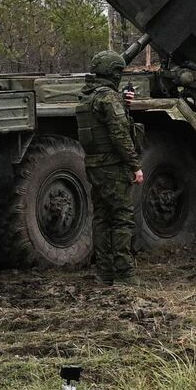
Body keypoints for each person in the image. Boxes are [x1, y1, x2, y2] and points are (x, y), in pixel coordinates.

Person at [75, 49, 142, 284]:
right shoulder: (108, 98)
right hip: (113, 166)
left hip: (94, 165)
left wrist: (124, 104)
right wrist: (135, 165)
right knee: (122, 217)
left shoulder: (88, 96)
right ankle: (125, 273)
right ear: (113, 72)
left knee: (102, 218)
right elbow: (120, 135)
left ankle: (105, 273)